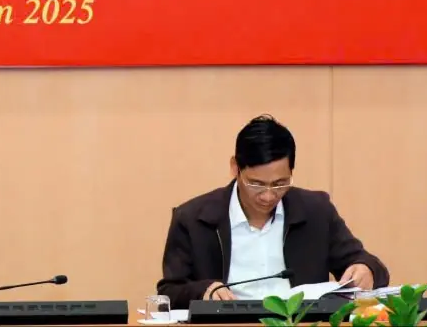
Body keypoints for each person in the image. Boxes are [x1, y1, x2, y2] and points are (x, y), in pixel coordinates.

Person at [156, 115, 389, 308]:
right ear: (235, 168)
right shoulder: (193, 218)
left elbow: (368, 264)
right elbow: (169, 292)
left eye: (280, 183)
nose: (268, 196)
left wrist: (366, 270)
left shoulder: (316, 211)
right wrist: (203, 291)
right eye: (256, 184)